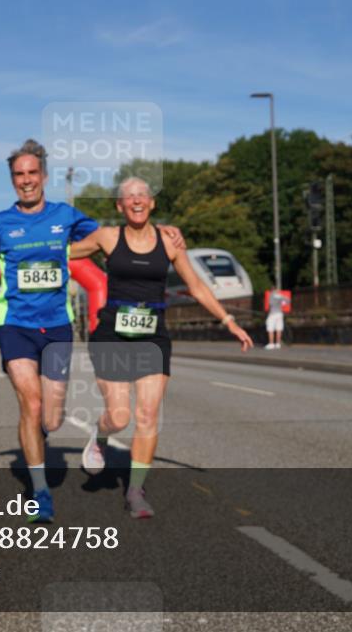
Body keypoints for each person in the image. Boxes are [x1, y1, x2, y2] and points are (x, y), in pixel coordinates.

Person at [0, 139, 184, 522]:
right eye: (19, 175)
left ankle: (41, 437)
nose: (26, 180)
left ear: (43, 175)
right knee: (31, 403)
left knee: (52, 418)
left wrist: (166, 232)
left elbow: (126, 235)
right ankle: (40, 493)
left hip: (57, 325)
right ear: (12, 180)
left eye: (32, 173)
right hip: (15, 324)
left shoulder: (68, 216)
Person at [71, 177, 253, 518]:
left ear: (152, 203)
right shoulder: (107, 237)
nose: (137, 200)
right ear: (119, 207)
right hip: (112, 333)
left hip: (153, 335)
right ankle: (100, 434)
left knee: (148, 414)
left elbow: (197, 286)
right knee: (120, 416)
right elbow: (62, 252)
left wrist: (229, 321)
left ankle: (135, 491)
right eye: (129, 197)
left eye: (143, 195)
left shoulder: (171, 242)